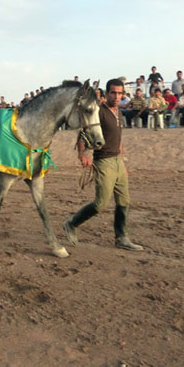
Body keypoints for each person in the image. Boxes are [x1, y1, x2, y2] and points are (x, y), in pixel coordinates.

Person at [63, 78, 143, 251]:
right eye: (113, 92)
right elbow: (83, 133)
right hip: (103, 162)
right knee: (100, 204)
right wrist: (83, 153)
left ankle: (121, 237)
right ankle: (71, 224)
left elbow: (118, 139)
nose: (116, 96)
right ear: (107, 93)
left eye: (120, 93)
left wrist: (122, 162)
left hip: (117, 162)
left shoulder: (118, 112)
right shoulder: (99, 111)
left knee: (124, 201)